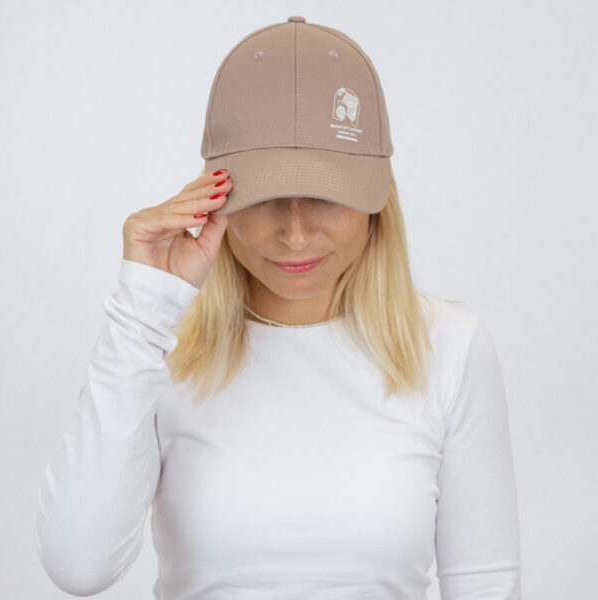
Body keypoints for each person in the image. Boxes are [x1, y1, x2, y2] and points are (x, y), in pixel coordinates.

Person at [35, 16, 522, 600]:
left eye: (325, 196)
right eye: (263, 197)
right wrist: (143, 307)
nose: (294, 234)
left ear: (376, 200)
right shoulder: (159, 346)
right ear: (213, 198)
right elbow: (79, 567)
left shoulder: (448, 347)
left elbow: (486, 585)